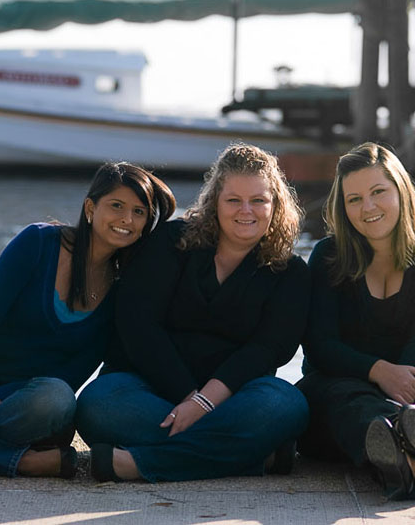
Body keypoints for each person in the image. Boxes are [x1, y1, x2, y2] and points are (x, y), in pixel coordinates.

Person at [0, 162, 176, 477]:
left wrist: (0, 396)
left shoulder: (122, 291)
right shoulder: (37, 243)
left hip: (26, 406)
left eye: (139, 212)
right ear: (91, 207)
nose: (126, 219)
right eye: (117, 206)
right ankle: (17, 460)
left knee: (57, 398)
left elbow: (74, 373)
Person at [76, 143, 311, 482]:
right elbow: (138, 325)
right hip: (148, 389)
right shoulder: (172, 240)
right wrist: (189, 399)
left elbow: (268, 350)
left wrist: (205, 403)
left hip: (233, 398)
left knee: (287, 404)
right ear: (215, 200)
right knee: (98, 404)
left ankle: (140, 464)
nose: (246, 210)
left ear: (275, 205)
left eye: (258, 200)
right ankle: (254, 459)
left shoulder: (291, 274)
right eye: (233, 200)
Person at [297, 142, 415, 501]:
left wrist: (397, 386)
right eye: (354, 199)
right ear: (342, 207)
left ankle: (399, 456)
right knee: (343, 398)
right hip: (336, 393)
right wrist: (377, 371)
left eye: (378, 192)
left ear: (401, 192)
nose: (367, 207)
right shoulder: (328, 255)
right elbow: (319, 344)